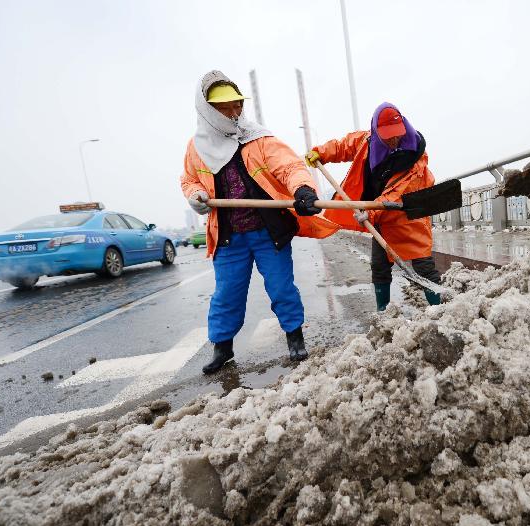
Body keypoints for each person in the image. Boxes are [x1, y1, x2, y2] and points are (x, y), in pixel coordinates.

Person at [181, 71, 338, 374]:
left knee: (281, 287)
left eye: (237, 105)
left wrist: (302, 189)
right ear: (207, 110)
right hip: (228, 235)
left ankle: (295, 337)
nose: (233, 113)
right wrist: (196, 194)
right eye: (224, 108)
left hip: (268, 231)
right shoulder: (196, 147)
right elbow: (188, 180)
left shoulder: (259, 138)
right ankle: (222, 348)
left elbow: (290, 166)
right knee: (227, 293)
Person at [306, 103, 441, 311]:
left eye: (397, 134)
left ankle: (440, 310)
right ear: (377, 132)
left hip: (407, 214)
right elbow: (344, 146)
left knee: (423, 265)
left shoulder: (414, 155)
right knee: (379, 266)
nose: (394, 140)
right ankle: (383, 312)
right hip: (382, 217)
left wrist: (371, 211)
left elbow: (396, 193)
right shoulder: (367, 141)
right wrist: (320, 153)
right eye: (387, 136)